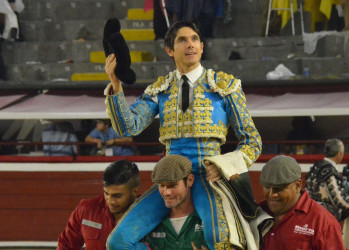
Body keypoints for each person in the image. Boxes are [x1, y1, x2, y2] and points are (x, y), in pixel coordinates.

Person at [105, 21, 262, 249]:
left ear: (201, 46)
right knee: (118, 242)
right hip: (170, 177)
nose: (190, 45)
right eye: (182, 40)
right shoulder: (160, 90)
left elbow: (252, 141)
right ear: (169, 50)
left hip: (209, 175)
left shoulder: (224, 87)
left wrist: (225, 165)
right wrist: (115, 85)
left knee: (221, 241)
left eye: (194, 39)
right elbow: (128, 127)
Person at [259, 155, 345, 250]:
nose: (272, 195)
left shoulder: (324, 223)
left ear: (297, 186)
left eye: (279, 188)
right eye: (267, 187)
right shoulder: (256, 214)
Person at [57, 159, 140, 250]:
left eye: (117, 196)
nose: (110, 201)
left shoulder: (152, 214)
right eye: (106, 193)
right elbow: (66, 245)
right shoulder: (86, 209)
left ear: (135, 192)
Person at [139, 154, 207, 249]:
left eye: (172, 186)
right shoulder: (151, 221)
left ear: (190, 180)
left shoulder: (207, 218)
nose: (166, 192)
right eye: (161, 186)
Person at [306, 138, 349, 220]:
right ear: (339, 154)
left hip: (311, 214)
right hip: (325, 218)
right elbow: (338, 201)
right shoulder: (330, 171)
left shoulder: (315, 167)